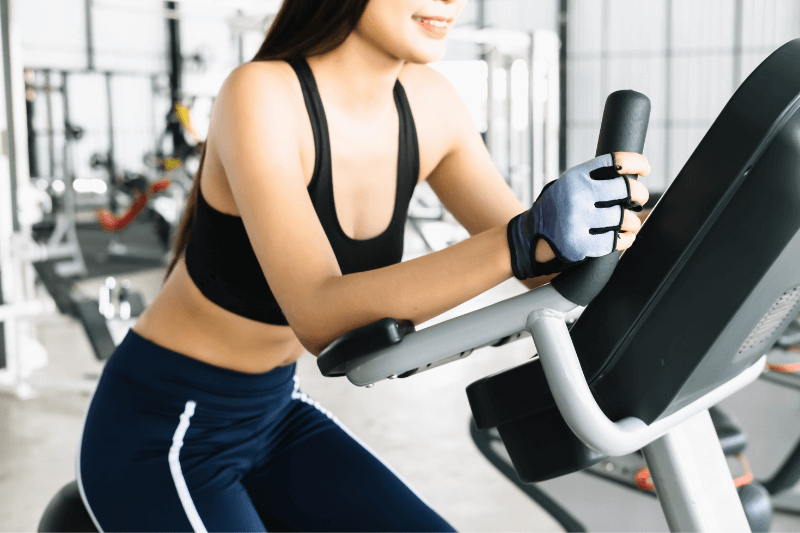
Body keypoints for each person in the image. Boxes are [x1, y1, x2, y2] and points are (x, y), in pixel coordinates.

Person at [76, 0, 651, 531]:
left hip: (274, 414)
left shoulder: (431, 104)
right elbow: (321, 315)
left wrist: (620, 227)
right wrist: (526, 238)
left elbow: (539, 263)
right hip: (166, 428)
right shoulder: (262, 95)